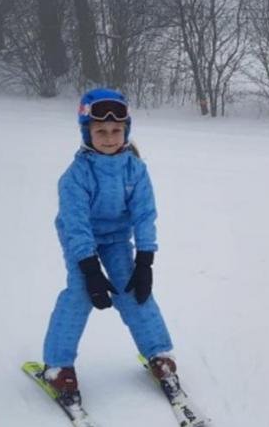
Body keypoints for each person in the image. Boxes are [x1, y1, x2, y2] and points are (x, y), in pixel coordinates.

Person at [39, 88, 178, 404]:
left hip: (117, 239)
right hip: (81, 240)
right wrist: (89, 268)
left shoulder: (136, 169)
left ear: (125, 130)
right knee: (80, 294)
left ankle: (158, 354)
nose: (109, 137)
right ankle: (57, 366)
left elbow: (144, 215)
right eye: (100, 130)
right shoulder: (75, 176)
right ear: (86, 132)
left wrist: (145, 261)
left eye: (116, 130)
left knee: (134, 292)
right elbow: (76, 224)